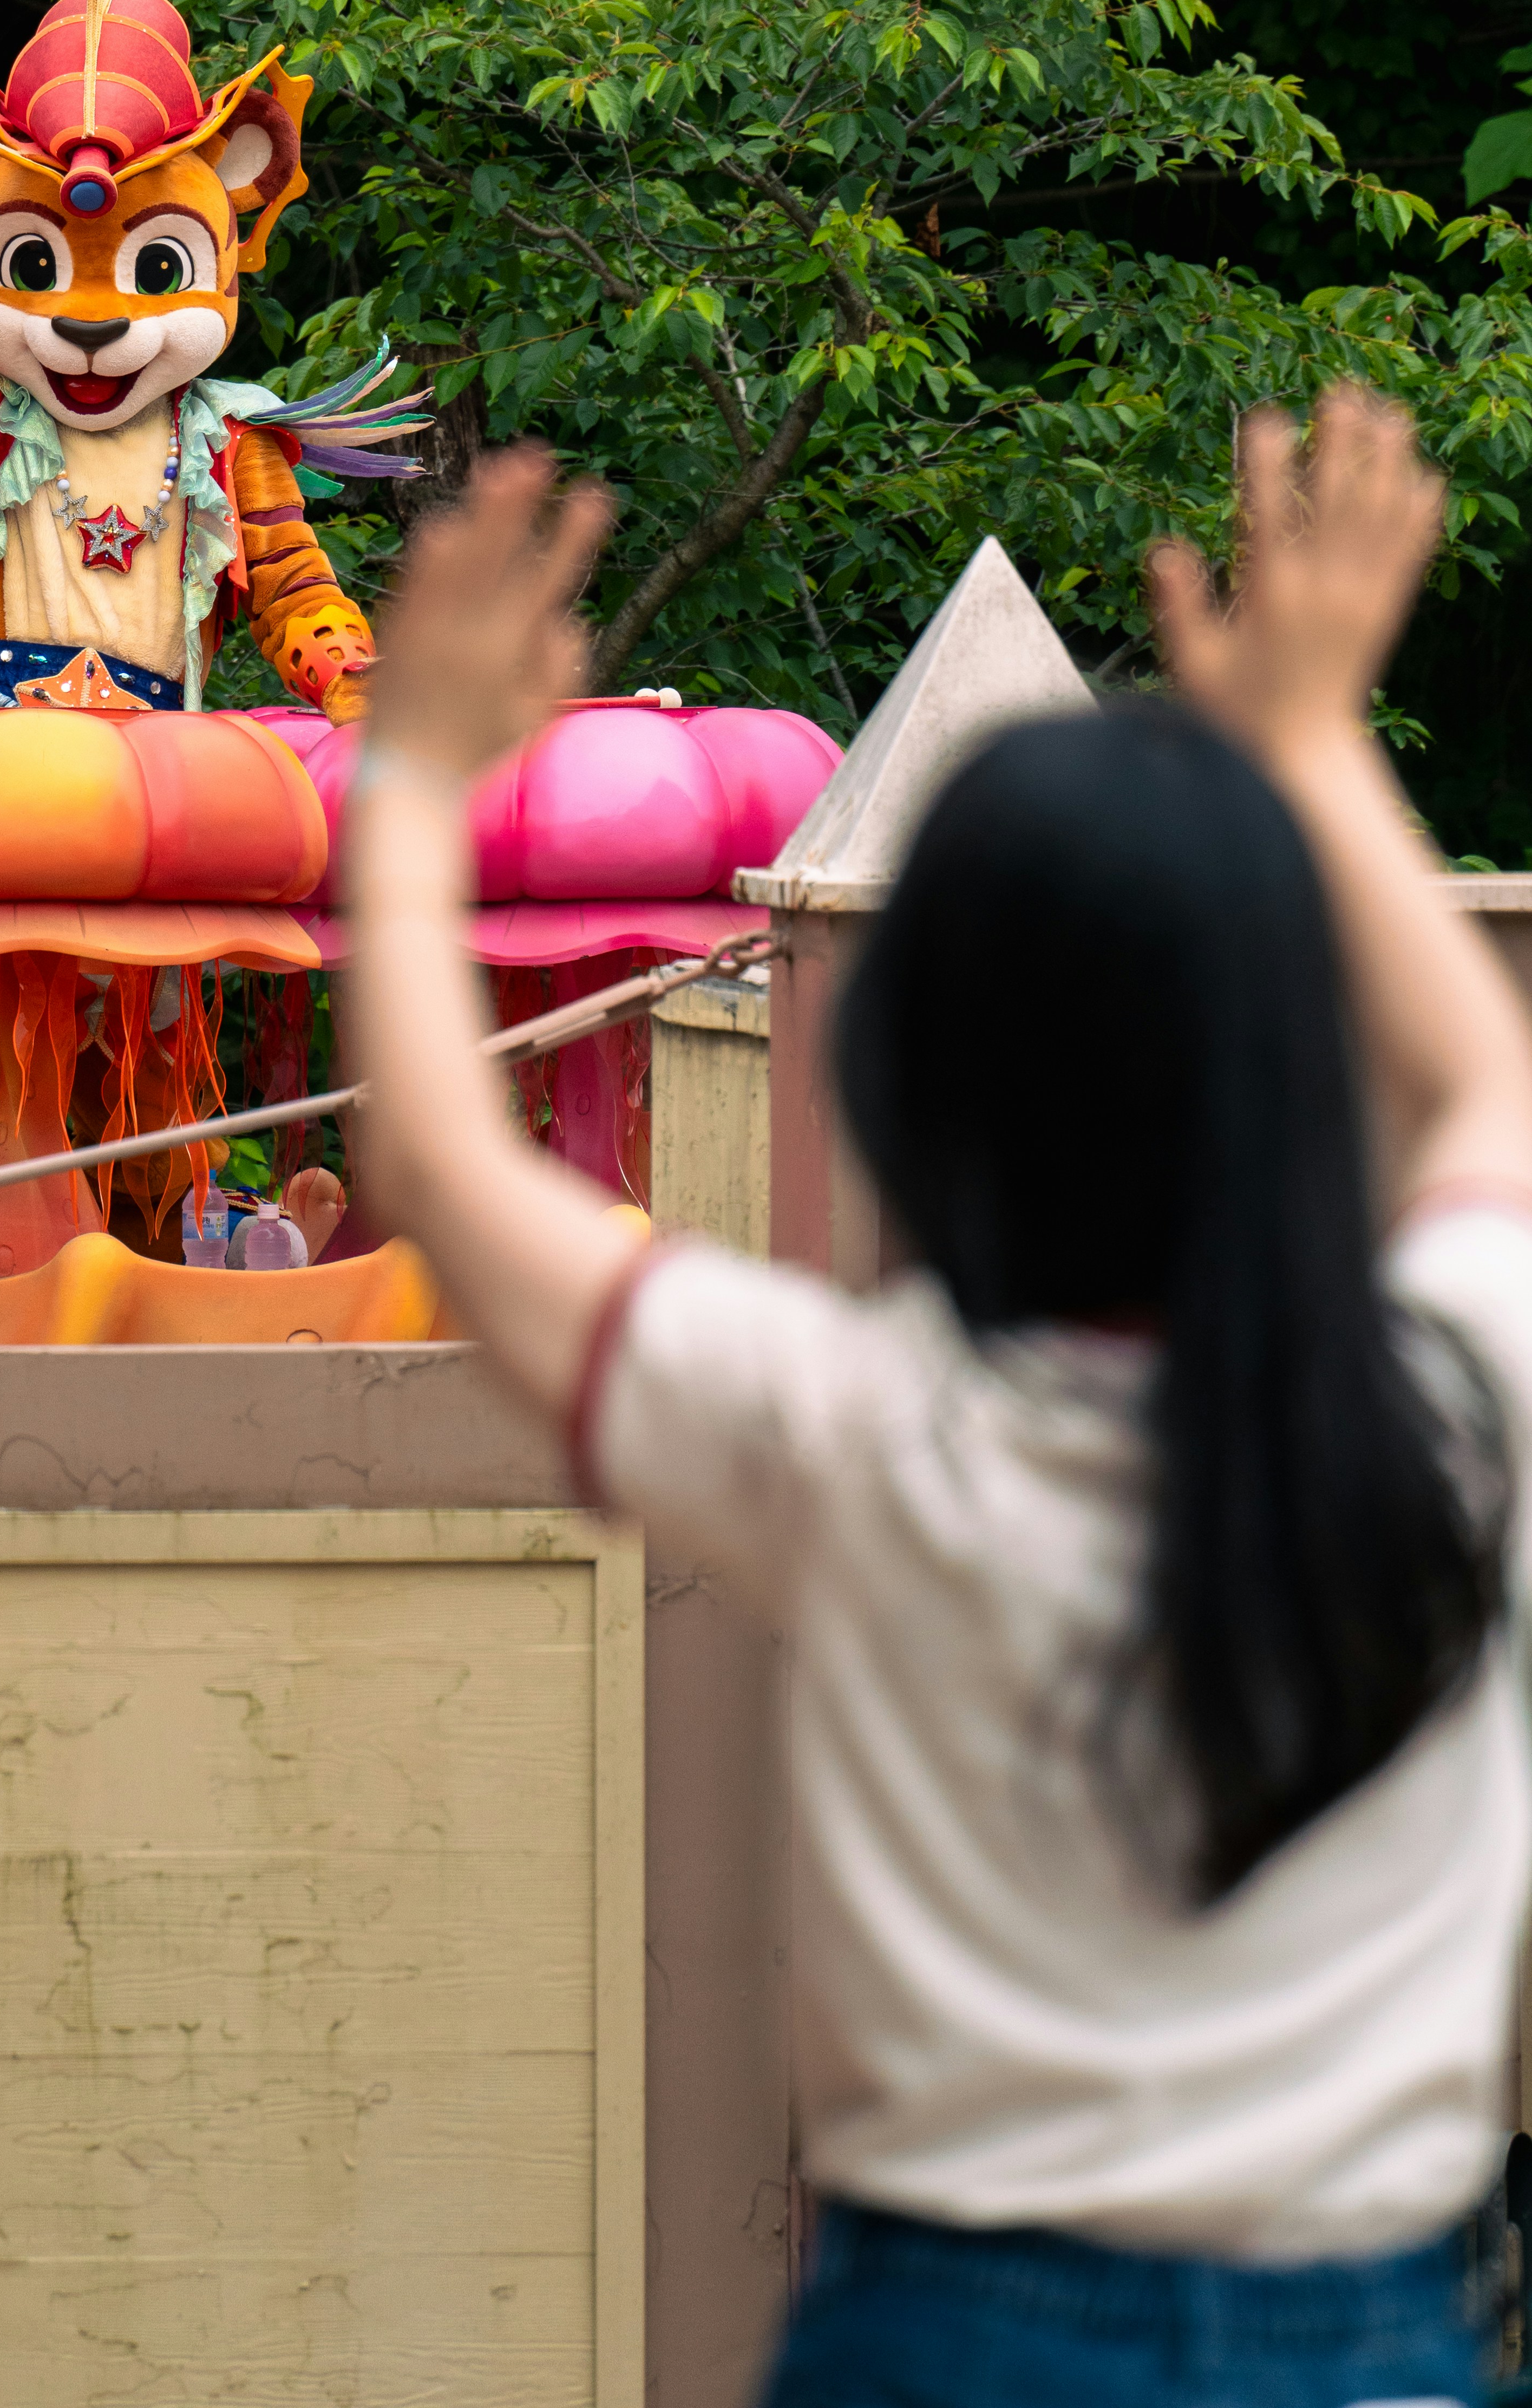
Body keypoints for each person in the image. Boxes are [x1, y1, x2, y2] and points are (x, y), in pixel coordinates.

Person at [339, 390, 1532, 2408]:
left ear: (913, 1092)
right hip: (1372, 2347)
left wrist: (408, 782)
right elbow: (1489, 1084)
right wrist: (1316, 742)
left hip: (951, 2344)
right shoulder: (1468, 1401)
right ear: (1303, 1067)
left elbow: (443, 1172)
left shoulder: (869, 1437)